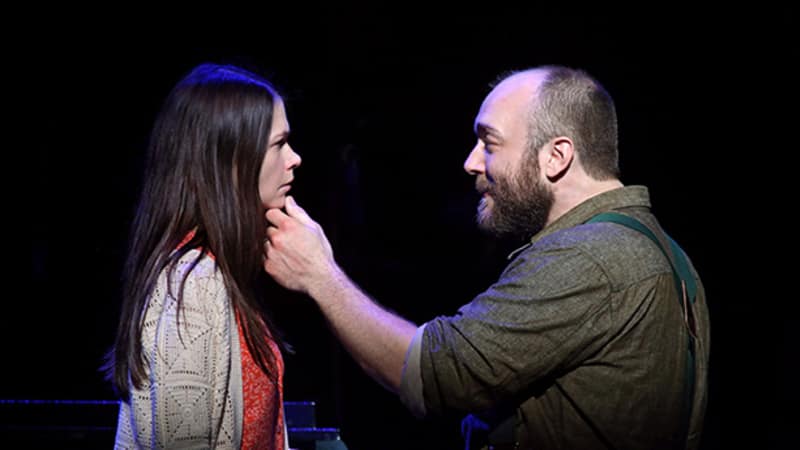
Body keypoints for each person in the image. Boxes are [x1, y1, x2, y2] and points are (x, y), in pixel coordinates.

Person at [263, 65, 710, 449]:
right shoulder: (664, 253)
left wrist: (319, 275)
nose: (472, 162)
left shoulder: (589, 256)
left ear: (556, 156)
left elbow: (434, 374)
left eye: (490, 143)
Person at [105, 63, 301, 449]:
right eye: (279, 145)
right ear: (232, 162)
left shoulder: (219, 276)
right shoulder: (191, 287)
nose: (294, 158)